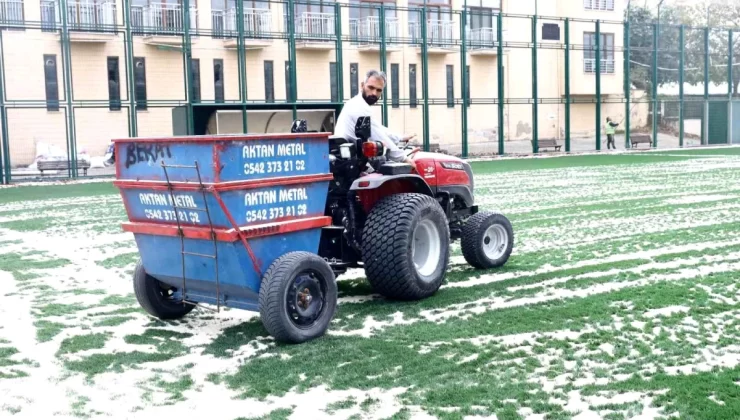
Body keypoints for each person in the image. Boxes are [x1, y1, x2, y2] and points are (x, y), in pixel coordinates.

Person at [334, 69, 417, 164]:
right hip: (352, 164)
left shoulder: (357, 103)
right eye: (371, 87)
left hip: (351, 159)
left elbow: (378, 129)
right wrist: (404, 159)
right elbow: (378, 136)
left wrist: (400, 138)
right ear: (362, 85)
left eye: (378, 90)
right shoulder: (359, 107)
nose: (374, 93)